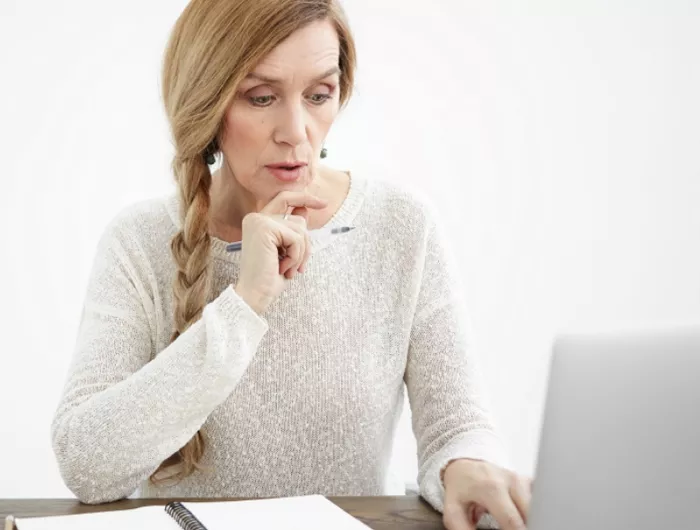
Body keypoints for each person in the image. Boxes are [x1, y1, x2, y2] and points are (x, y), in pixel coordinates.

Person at [50, 0, 532, 528]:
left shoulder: (401, 225)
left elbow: (457, 427)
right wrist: (246, 302)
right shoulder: (140, 240)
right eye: (262, 98)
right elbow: (87, 465)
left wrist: (465, 466)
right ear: (207, 105)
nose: (296, 131)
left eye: (319, 95)